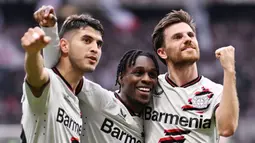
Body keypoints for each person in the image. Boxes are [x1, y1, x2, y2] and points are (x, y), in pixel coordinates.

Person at [34, 5, 160, 143]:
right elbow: (59, 74)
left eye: (152, 75)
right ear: (121, 78)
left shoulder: (153, 124)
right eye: (138, 73)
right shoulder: (101, 100)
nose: (146, 79)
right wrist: (49, 30)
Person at [144, 9, 239, 143]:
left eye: (191, 35)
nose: (188, 39)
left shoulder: (215, 92)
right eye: (178, 37)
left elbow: (226, 129)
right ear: (162, 52)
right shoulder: (149, 87)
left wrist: (229, 70)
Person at [20, 9, 104, 143]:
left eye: (99, 44)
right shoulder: (50, 83)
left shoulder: (76, 101)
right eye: (87, 40)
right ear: (64, 46)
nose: (95, 49)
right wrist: (32, 52)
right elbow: (36, 77)